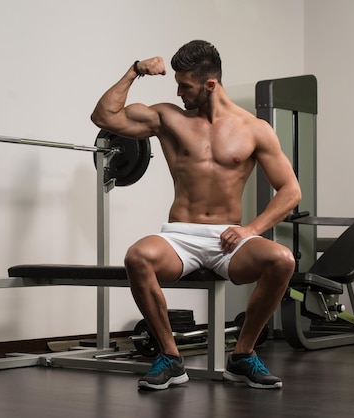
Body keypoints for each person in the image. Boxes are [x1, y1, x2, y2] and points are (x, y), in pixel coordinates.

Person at [90, 40, 301, 391]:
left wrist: (251, 229)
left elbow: (291, 191)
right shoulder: (168, 118)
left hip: (229, 238)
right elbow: (104, 116)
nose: (178, 91)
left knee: (282, 260)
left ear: (210, 84)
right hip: (180, 236)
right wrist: (135, 70)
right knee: (137, 257)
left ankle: (243, 356)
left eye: (185, 85)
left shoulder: (254, 129)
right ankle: (171, 358)